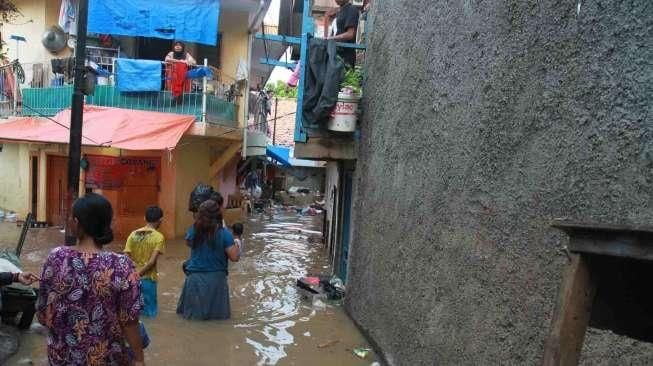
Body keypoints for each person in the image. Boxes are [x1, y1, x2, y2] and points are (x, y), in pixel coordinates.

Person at [36, 193, 144, 366]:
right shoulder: (122, 265)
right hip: (106, 358)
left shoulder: (56, 257)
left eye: (71, 216)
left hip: (62, 357)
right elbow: (130, 320)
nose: (69, 220)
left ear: (77, 223)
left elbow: (43, 311)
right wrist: (139, 359)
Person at [177, 200, 240, 320]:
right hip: (216, 281)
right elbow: (234, 257)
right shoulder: (224, 234)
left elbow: (188, 243)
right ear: (218, 214)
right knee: (217, 321)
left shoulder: (194, 230)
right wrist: (237, 244)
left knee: (192, 321)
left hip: (194, 279)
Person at [124, 206, 166, 318]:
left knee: (134, 313)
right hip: (148, 280)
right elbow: (151, 262)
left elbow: (126, 257)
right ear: (160, 220)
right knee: (150, 314)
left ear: (144, 218)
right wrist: (139, 274)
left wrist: (134, 274)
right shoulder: (159, 237)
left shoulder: (133, 234)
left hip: (132, 279)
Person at [325, 0, 360, 68]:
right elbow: (331, 34)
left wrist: (331, 38)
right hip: (336, 54)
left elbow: (350, 34)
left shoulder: (352, 10)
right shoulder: (339, 12)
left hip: (345, 56)